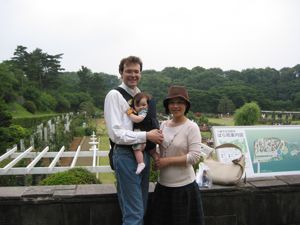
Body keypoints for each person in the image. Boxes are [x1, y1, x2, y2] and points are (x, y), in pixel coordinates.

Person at [104, 56, 163, 225]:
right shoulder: (114, 95)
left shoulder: (140, 97)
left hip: (143, 153)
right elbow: (116, 134)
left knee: (140, 208)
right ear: (121, 73)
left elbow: (148, 124)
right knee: (135, 213)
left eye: (136, 71)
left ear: (141, 74)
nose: (133, 75)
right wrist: (147, 136)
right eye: (128, 71)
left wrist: (153, 151)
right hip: (125, 154)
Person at [150, 85, 205, 225]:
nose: (175, 106)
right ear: (167, 105)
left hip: (184, 189)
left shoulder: (191, 127)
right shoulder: (163, 125)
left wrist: (166, 161)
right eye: (172, 102)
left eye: (180, 102)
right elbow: (159, 149)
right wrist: (156, 159)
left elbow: (194, 157)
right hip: (163, 186)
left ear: (186, 105)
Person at [126, 92, 160, 174]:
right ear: (134, 106)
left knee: (137, 149)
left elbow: (137, 119)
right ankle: (157, 163)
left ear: (148, 105)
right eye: (138, 105)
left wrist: (129, 113)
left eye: (144, 105)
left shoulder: (143, 112)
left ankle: (140, 163)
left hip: (142, 135)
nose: (141, 107)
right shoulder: (143, 111)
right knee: (152, 152)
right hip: (148, 136)